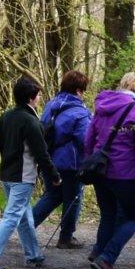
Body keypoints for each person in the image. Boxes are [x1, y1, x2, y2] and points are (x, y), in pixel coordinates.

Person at [0, 74, 58, 269]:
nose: (39, 98)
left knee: (24, 216)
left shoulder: (7, 117)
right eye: (38, 95)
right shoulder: (32, 122)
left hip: (7, 176)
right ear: (31, 98)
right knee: (12, 217)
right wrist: (54, 176)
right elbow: (42, 154)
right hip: (23, 177)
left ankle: (33, 255)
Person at [84, 72, 135, 269]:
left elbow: (89, 139)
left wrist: (90, 162)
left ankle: (99, 253)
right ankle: (106, 260)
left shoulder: (102, 106)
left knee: (108, 214)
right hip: (125, 174)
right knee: (134, 216)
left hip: (101, 171)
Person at [31, 71, 93, 248]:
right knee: (73, 198)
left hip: (48, 159)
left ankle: (26, 226)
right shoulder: (80, 112)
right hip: (70, 163)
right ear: (79, 90)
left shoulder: (51, 105)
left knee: (52, 195)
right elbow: (85, 141)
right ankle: (66, 238)